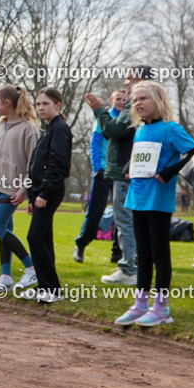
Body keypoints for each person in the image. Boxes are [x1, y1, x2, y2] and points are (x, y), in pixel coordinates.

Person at [112, 82, 194, 327]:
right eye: (134, 100)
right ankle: (140, 304)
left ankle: (161, 308)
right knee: (143, 253)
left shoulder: (171, 129)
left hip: (158, 199)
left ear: (159, 100)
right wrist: (130, 169)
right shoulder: (139, 131)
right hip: (137, 197)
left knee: (160, 253)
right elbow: (141, 156)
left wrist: (171, 171)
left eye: (143, 98)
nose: (137, 103)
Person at [86, 66, 155, 285]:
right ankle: (133, 268)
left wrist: (99, 110)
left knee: (125, 221)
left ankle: (129, 270)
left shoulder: (136, 103)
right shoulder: (147, 103)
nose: (126, 83)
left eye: (129, 79)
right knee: (131, 222)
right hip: (132, 169)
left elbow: (114, 130)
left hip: (126, 171)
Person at [0, 85, 39, 293]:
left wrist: (24, 189)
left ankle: (32, 268)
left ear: (7, 103)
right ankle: (6, 276)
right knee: (6, 230)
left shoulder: (29, 128)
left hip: (13, 188)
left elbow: (33, 164)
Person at [25, 88, 72, 304]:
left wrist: (44, 193)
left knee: (34, 237)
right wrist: (32, 196)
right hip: (38, 192)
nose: (41, 108)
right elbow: (37, 163)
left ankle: (53, 289)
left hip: (49, 191)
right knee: (44, 238)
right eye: (39, 104)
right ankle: (44, 285)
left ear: (58, 105)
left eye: (46, 104)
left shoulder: (60, 129)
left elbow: (59, 165)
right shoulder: (49, 129)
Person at [74, 89, 127, 262]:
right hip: (103, 170)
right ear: (112, 99)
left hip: (121, 172)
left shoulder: (128, 118)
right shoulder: (103, 117)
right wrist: (96, 167)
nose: (121, 102)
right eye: (118, 99)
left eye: (124, 100)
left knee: (121, 213)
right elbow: (95, 143)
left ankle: (117, 252)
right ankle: (81, 245)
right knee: (96, 211)